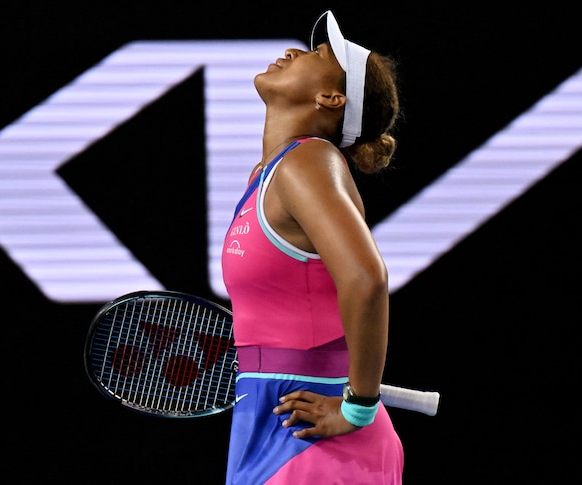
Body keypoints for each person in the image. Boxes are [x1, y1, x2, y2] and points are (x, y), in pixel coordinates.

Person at [221, 10, 404, 484]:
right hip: (271, 420)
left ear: (330, 98)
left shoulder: (309, 160)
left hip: (319, 436)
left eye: (318, 54)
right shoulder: (266, 177)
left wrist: (359, 407)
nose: (294, 52)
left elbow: (367, 279)